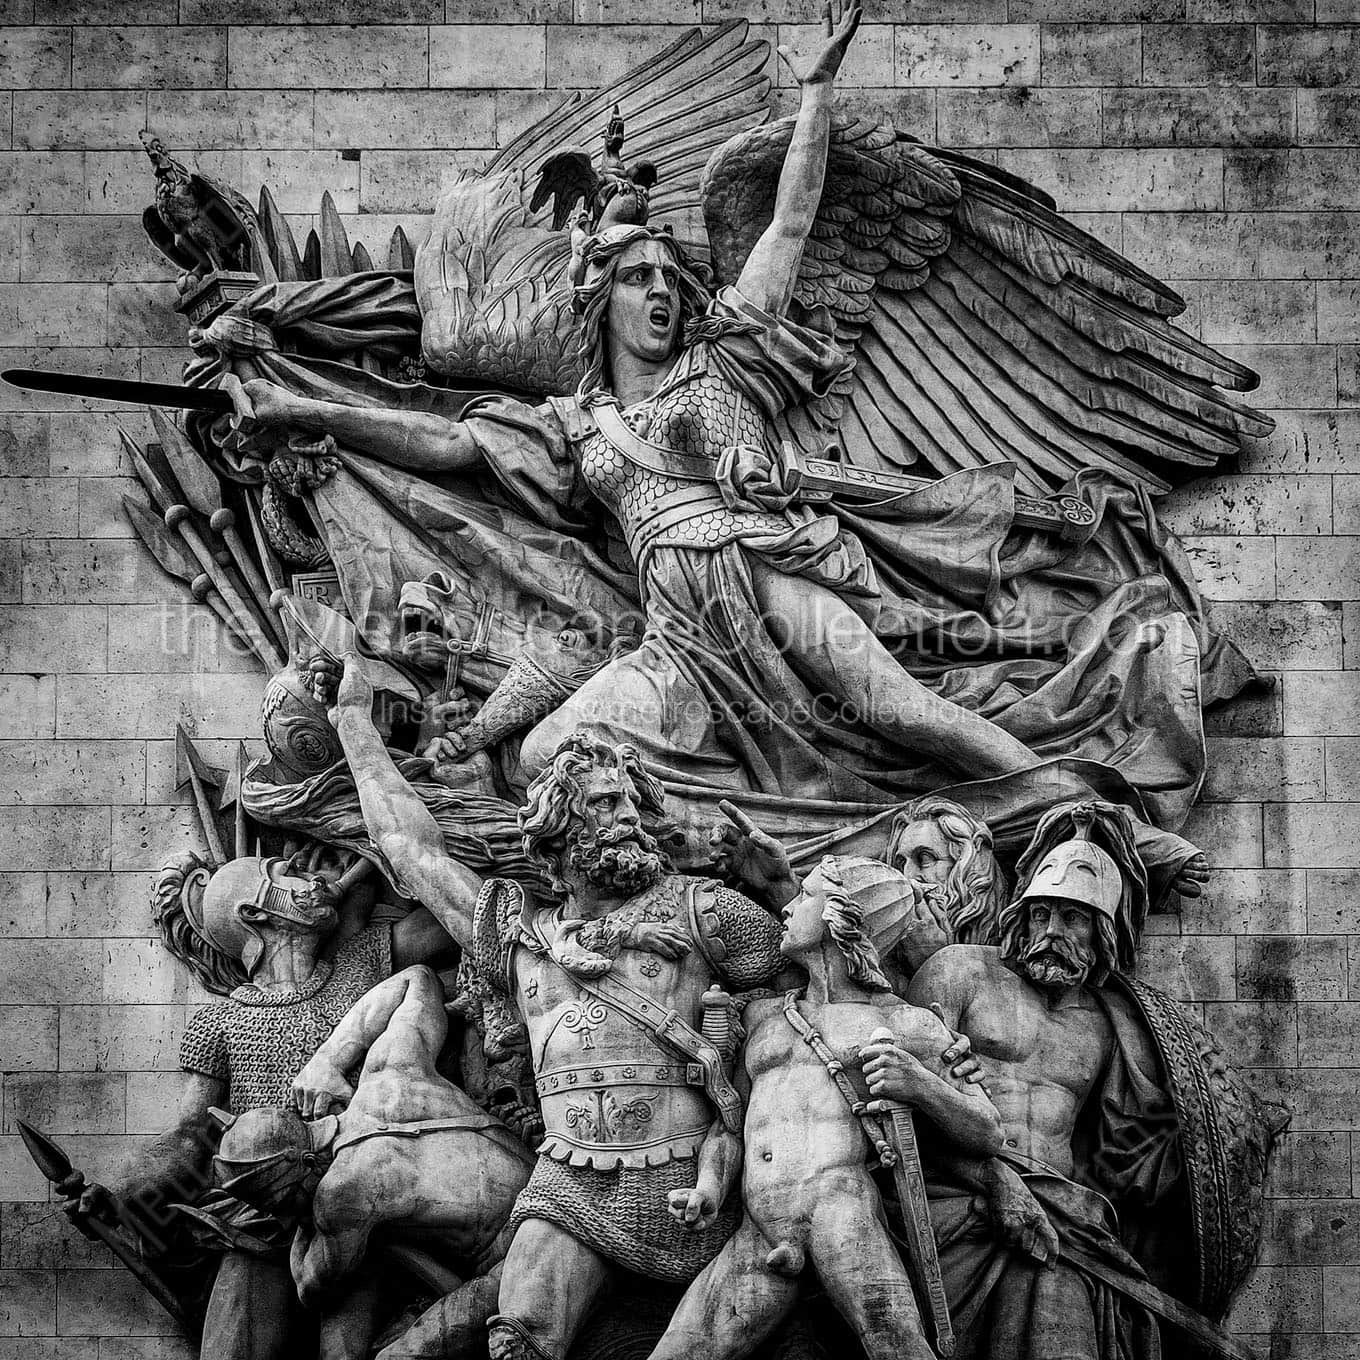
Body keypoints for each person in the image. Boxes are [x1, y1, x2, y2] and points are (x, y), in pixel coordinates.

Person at [220, 0, 1044, 807]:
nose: (660, 292)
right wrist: (306, 412)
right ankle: (689, 851)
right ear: (602, 299)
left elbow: (789, 229)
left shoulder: (723, 359)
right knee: (546, 753)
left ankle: (1075, 802)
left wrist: (816, 96)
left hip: (754, 570)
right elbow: (443, 446)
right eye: (638, 278)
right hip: (672, 631)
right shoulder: (576, 421)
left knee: (903, 711)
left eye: (667, 280)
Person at [325, 653, 791, 1360]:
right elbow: (408, 849)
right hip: (571, 1183)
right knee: (517, 1342)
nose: (629, 816)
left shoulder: (705, 912)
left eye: (634, 802)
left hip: (704, 1183)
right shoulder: (518, 936)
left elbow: (810, 980)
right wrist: (354, 724)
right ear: (560, 825)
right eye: (607, 803)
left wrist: (781, 893)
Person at [62, 849, 453, 1360]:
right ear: (255, 914)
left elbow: (451, 918)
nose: (312, 877)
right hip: (258, 1219)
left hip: (359, 1199)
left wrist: (381, 844)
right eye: (290, 876)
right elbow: (191, 1137)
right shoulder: (218, 1022)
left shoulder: (363, 962)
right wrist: (119, 1193)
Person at [644, 855, 1003, 1360]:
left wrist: (919, 1083)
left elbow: (988, 1131)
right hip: (759, 1229)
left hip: (841, 1215)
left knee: (897, 1344)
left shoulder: (908, 1024)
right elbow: (730, 1129)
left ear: (841, 914)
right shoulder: (764, 1017)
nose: (788, 907)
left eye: (805, 895)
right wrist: (709, 1187)